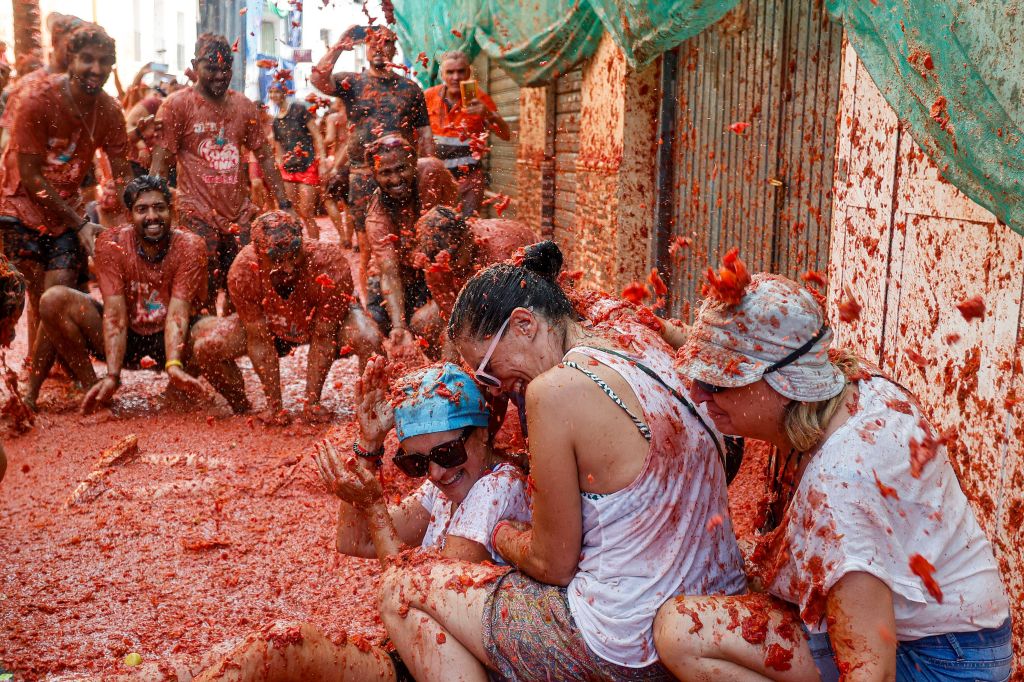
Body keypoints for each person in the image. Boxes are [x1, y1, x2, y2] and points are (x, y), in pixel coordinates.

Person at [377, 241, 746, 680]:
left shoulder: (553, 391)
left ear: (524, 324)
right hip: (711, 607)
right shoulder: (631, 328)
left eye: (487, 369)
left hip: (624, 640)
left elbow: (553, 565)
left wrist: (502, 533)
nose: (493, 388)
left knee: (403, 587)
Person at [654, 266, 1012, 682]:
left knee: (681, 631)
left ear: (784, 384)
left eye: (717, 383)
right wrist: (662, 330)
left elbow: (870, 672)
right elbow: (774, 348)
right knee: (744, 564)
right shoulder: (845, 376)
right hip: (955, 634)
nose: (698, 393)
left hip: (942, 662)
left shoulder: (840, 488)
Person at [192, 359, 530, 682]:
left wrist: (373, 505)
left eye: (447, 453)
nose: (436, 473)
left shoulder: (495, 487)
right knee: (221, 657)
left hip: (442, 664)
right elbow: (354, 541)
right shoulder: (449, 486)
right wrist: (368, 446)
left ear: (482, 433)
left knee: (278, 648)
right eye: (417, 463)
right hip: (417, 654)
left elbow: (425, 597)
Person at [21, 175, 208, 413]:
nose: (152, 216)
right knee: (52, 300)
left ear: (171, 211)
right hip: (125, 338)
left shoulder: (190, 245)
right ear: (129, 215)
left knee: (212, 332)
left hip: (171, 340)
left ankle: (184, 394)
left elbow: (178, 313)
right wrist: (112, 375)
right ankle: (91, 389)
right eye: (142, 209)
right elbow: (115, 315)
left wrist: (173, 365)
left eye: (159, 208)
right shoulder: (112, 243)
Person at [0, 23, 132, 357]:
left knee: (54, 298)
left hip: (67, 214)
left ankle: (46, 378)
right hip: (19, 206)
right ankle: (41, 374)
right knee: (38, 298)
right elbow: (31, 177)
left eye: (104, 62)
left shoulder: (110, 110)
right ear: (70, 59)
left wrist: (137, 226)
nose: (96, 69)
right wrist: (80, 223)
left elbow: (124, 178)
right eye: (87, 59)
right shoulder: (37, 100)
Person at [190, 211, 381, 424]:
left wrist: (312, 403)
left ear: (302, 242)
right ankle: (240, 404)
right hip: (271, 324)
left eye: (294, 254)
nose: (289, 268)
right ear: (258, 254)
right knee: (205, 349)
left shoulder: (329, 263)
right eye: (278, 259)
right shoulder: (243, 271)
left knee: (369, 339)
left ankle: (371, 412)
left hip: (328, 324)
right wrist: (275, 407)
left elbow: (324, 335)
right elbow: (258, 339)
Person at [151, 33, 296, 312]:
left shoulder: (243, 106)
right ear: (194, 66)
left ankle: (230, 336)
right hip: (196, 216)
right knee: (201, 296)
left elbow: (265, 156)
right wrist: (155, 212)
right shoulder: (176, 105)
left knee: (242, 293)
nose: (220, 75)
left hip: (239, 217)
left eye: (226, 67)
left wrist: (285, 203)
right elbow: (160, 164)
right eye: (211, 68)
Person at [311, 25, 434, 275]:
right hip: (363, 175)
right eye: (373, 42)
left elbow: (425, 136)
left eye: (385, 42)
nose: (379, 47)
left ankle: (401, 292)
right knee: (367, 245)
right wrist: (338, 46)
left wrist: (427, 174)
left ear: (394, 49)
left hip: (402, 176)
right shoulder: (353, 82)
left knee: (407, 239)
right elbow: (318, 80)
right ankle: (371, 298)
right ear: (366, 49)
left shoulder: (411, 89)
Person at [363, 135, 457, 345]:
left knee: (433, 325)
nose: (396, 179)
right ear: (375, 175)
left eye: (401, 169)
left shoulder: (433, 172)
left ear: (413, 162)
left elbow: (456, 216)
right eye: (385, 173)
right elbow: (389, 271)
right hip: (398, 274)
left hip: (436, 262)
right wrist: (399, 326)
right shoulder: (377, 218)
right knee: (377, 325)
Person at [410, 205, 537, 347]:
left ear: (468, 237)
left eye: (454, 258)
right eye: (443, 263)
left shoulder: (502, 253)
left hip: (528, 297)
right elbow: (453, 319)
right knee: (421, 323)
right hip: (477, 303)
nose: (451, 267)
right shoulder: (435, 267)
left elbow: (506, 315)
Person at [424, 51, 511, 217]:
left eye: (461, 71)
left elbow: (505, 134)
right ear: (442, 74)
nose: (456, 77)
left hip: (469, 179)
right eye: (450, 72)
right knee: (434, 223)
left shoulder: (479, 97)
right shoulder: (429, 97)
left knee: (469, 225)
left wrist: (488, 114)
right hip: (437, 178)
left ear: (468, 72)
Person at [267, 83, 328, 241]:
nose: (273, 95)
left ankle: (314, 246)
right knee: (291, 212)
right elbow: (279, 148)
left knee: (307, 212)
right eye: (271, 92)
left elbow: (317, 135)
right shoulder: (276, 121)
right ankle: (297, 245)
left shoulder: (299, 109)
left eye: (277, 91)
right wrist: (279, 167)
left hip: (307, 165)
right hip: (288, 169)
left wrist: (322, 161)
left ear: (285, 93)